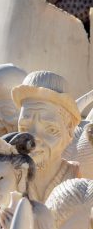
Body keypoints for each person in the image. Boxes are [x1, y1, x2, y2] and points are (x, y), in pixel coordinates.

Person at [13, 71, 81, 201]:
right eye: (24, 128)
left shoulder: (73, 177)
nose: (32, 139)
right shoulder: (11, 176)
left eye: (50, 129)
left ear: (69, 129)